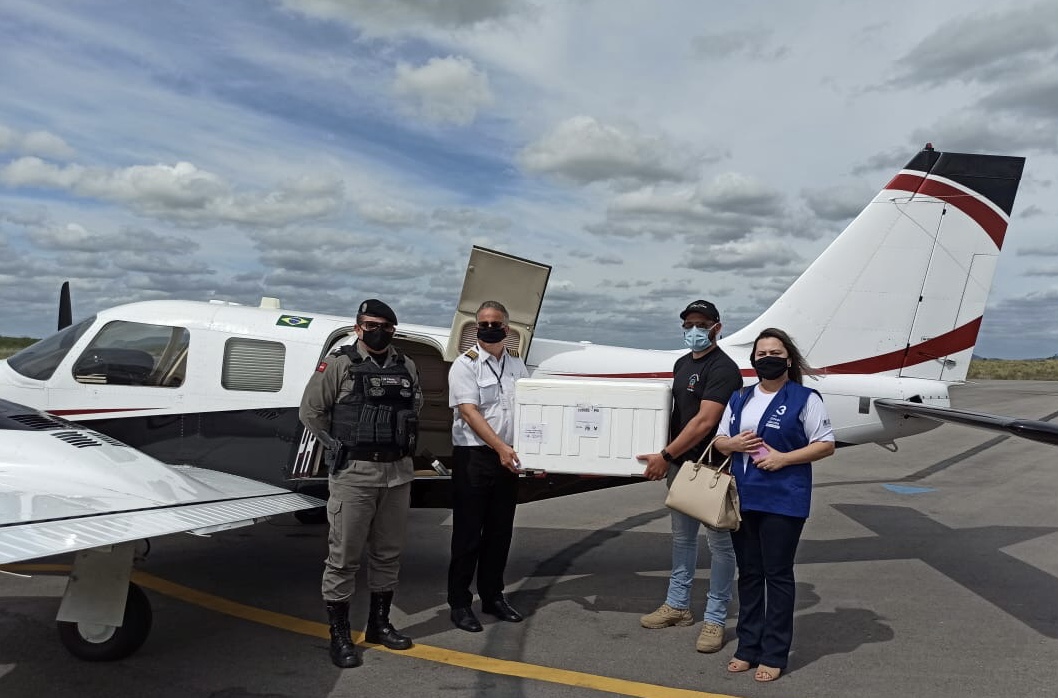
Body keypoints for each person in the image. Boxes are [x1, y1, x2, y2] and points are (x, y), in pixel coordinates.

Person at [299, 299, 422, 668]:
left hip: (397, 474)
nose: (377, 330)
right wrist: (335, 446)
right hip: (354, 475)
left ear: (393, 330)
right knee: (343, 559)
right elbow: (310, 412)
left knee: (388, 554)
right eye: (370, 324)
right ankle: (339, 636)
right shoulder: (339, 365)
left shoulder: (407, 366)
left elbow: (414, 409)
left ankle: (379, 625)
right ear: (357, 327)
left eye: (384, 325)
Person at [713, 328, 835, 682]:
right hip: (743, 497)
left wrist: (784, 459)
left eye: (775, 352)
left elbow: (825, 444)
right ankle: (748, 646)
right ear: (753, 361)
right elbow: (720, 441)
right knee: (749, 573)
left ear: (788, 359)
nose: (767, 358)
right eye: (761, 353)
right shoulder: (740, 398)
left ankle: (775, 652)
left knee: (777, 574)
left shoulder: (804, 398)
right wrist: (731, 444)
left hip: (783, 499)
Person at [637, 300, 743, 653]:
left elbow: (704, 421)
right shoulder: (681, 364)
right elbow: (676, 415)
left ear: (717, 326)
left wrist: (664, 456)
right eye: (687, 325)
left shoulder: (724, 368)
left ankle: (714, 619)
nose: (693, 330)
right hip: (682, 467)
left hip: (712, 468)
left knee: (720, 546)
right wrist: (666, 456)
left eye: (701, 324)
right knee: (682, 541)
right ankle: (678, 606)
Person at [447, 300, 530, 632]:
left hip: (507, 457)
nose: (489, 328)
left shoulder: (517, 365)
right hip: (476, 457)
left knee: (500, 532)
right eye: (483, 323)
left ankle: (493, 596)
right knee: (468, 534)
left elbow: (528, 408)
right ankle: (459, 603)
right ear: (476, 327)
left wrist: (531, 451)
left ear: (507, 329)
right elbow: (469, 412)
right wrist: (500, 448)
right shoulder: (464, 366)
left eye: (495, 323)